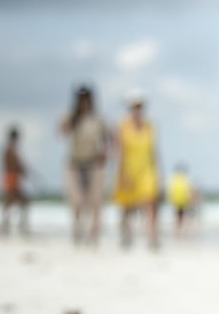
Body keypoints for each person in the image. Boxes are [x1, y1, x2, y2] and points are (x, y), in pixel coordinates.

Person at [60, 85, 110, 246]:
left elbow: (109, 137)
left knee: (96, 202)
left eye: (87, 98)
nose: (84, 102)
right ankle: (77, 230)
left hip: (94, 164)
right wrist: (73, 117)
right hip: (75, 164)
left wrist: (106, 152)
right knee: (77, 201)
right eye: (81, 99)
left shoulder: (98, 119)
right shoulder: (72, 118)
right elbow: (62, 130)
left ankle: (93, 236)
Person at [114, 93, 161, 249]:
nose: (137, 110)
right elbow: (119, 151)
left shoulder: (149, 126)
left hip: (147, 170)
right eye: (134, 107)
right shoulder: (122, 126)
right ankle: (126, 234)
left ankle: (152, 236)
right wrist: (122, 173)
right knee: (127, 206)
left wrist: (158, 173)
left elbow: (154, 151)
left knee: (150, 204)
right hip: (128, 169)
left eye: (140, 107)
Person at [0, 125, 29, 236]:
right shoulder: (9, 150)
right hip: (11, 179)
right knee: (12, 203)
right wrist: (21, 169)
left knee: (12, 203)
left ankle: (7, 226)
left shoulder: (11, 150)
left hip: (12, 179)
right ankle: (8, 226)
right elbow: (12, 165)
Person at [167, 164, 195, 236]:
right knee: (184, 213)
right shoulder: (184, 178)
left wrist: (170, 198)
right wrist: (190, 197)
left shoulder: (173, 177)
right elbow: (188, 188)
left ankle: (178, 228)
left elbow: (170, 189)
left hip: (176, 198)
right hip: (183, 198)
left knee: (178, 214)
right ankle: (182, 228)